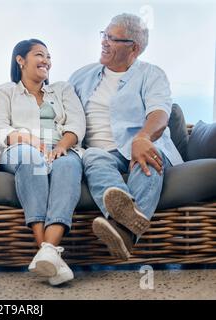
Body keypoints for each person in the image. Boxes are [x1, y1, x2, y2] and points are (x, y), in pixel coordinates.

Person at [69, 14, 184, 260]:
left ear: (135, 48)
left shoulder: (151, 74)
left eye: (112, 38)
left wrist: (143, 138)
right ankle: (128, 229)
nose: (104, 42)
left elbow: (159, 113)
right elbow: (61, 110)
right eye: (104, 35)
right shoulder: (81, 77)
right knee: (93, 158)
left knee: (148, 156)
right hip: (99, 152)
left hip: (141, 146)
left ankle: (123, 230)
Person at [0, 39, 86, 286]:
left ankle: (47, 253)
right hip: (19, 149)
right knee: (31, 158)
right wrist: (28, 139)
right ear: (20, 60)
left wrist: (62, 147)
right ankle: (47, 248)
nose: (46, 61)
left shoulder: (62, 89)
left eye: (49, 57)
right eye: (40, 55)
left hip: (60, 147)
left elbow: (77, 124)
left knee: (68, 165)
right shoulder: (5, 91)